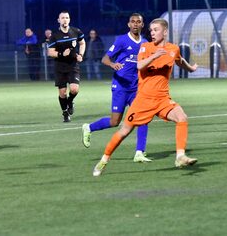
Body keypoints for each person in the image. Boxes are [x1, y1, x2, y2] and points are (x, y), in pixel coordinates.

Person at [92, 18, 198, 176]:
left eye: (156, 30)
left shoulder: (173, 48)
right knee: (124, 131)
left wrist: (190, 68)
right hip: (142, 100)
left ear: (165, 31)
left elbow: (179, 60)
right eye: (151, 30)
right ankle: (104, 160)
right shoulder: (145, 47)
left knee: (181, 117)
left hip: (162, 100)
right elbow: (139, 65)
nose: (152, 33)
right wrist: (154, 56)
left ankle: (180, 156)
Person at [82, 13, 151, 163]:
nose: (135, 24)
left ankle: (140, 152)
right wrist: (113, 64)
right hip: (120, 86)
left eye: (138, 22)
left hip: (135, 88)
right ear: (128, 24)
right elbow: (105, 58)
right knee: (115, 122)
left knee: (143, 117)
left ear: (142, 25)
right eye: (132, 21)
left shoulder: (145, 43)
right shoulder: (121, 40)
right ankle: (89, 127)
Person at [47, 10, 86, 122]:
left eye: (67, 17)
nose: (65, 19)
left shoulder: (76, 31)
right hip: (60, 66)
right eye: (63, 18)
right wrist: (61, 54)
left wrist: (81, 55)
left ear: (69, 19)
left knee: (74, 89)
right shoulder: (54, 36)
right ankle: (65, 112)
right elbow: (50, 52)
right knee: (62, 93)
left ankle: (70, 102)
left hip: (73, 65)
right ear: (59, 20)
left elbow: (82, 42)